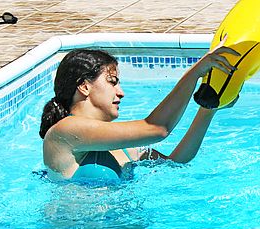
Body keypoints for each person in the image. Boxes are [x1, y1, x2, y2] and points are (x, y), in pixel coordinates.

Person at [40, 46, 239, 181]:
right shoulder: (65, 132)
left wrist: (208, 110)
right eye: (112, 82)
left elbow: (175, 162)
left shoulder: (124, 149)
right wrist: (196, 71)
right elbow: (158, 129)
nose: (121, 92)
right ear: (84, 86)